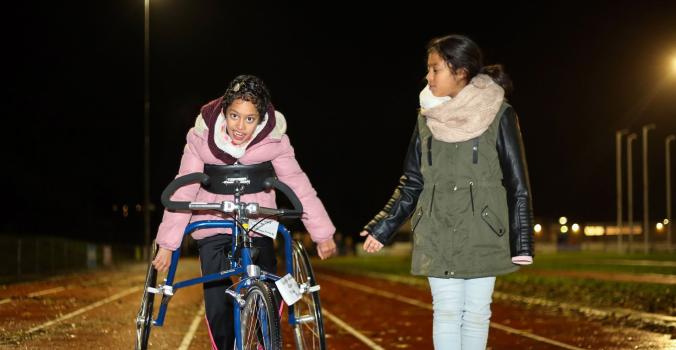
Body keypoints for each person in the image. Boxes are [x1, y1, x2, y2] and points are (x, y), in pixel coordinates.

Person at [359, 34, 534, 350]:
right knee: (447, 313)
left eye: (434, 69)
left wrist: (522, 241)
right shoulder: (425, 118)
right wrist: (384, 225)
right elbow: (412, 180)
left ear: (460, 71)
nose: (428, 77)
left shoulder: (500, 112)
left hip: (484, 231)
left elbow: (517, 181)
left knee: (477, 314)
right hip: (437, 228)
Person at [152, 74, 337, 350]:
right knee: (217, 298)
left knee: (267, 283)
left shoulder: (274, 142)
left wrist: (322, 233)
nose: (240, 126)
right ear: (224, 112)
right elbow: (184, 190)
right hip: (212, 224)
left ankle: (265, 341)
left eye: (249, 119)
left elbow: (298, 185)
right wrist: (167, 244)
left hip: (257, 223)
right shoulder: (200, 138)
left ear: (260, 119)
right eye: (234, 116)